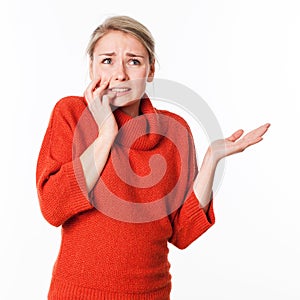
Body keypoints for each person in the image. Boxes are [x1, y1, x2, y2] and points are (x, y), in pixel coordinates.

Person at [36, 15, 270, 300]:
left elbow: (182, 232)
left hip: (151, 293)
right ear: (91, 67)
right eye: (107, 60)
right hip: (77, 293)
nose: (119, 74)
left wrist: (211, 160)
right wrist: (105, 134)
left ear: (150, 70)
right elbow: (53, 206)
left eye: (133, 61)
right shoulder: (71, 114)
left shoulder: (174, 131)